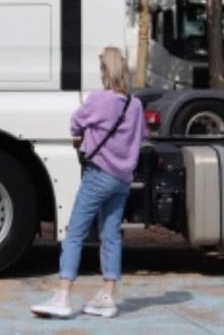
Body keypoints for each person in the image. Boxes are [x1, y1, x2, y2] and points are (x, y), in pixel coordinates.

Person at [31, 47, 145, 320]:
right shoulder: (135, 104)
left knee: (75, 234)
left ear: (105, 71)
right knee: (110, 235)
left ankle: (63, 295)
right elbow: (139, 137)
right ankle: (107, 296)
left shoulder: (98, 99)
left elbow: (75, 124)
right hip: (122, 179)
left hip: (98, 175)